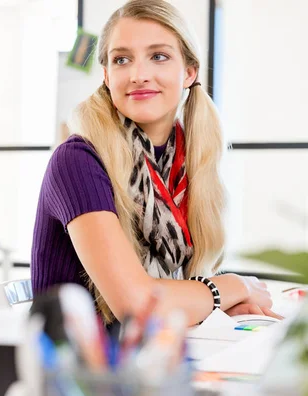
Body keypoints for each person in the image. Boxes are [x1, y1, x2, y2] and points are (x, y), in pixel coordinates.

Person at [31, 0, 281, 327]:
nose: (138, 75)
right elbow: (136, 305)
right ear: (106, 75)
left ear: (190, 72)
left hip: (154, 360)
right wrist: (234, 287)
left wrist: (212, 304)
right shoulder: (77, 160)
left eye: (158, 56)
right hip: (80, 372)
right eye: (122, 60)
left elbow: (179, 291)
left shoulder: (189, 157)